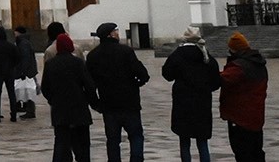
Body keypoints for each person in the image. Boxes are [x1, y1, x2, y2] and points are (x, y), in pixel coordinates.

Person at [86, 22, 150, 162]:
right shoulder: (125, 51)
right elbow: (142, 74)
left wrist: (95, 103)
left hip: (108, 104)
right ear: (110, 34)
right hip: (129, 102)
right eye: (115, 31)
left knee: (113, 140)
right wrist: (137, 83)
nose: (118, 33)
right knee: (136, 136)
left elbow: (89, 84)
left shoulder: (93, 56)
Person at [162, 28, 220, 162]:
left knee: (184, 140)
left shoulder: (178, 54)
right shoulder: (205, 55)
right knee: (202, 140)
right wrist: (206, 88)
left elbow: (167, 74)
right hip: (202, 102)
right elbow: (216, 81)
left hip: (183, 102)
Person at [40, 33, 96, 162]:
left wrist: (53, 100)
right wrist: (90, 101)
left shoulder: (51, 64)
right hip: (79, 109)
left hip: (60, 111)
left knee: (62, 144)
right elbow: (89, 85)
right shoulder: (78, 63)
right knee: (82, 145)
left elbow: (45, 88)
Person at [219, 33, 268, 162]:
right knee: (256, 151)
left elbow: (222, 79)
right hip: (256, 117)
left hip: (240, 117)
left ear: (234, 49)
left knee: (242, 153)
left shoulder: (239, 66)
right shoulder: (259, 63)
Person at [14, 26, 40, 119]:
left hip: (27, 72)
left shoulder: (23, 43)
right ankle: (26, 107)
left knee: (29, 91)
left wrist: (22, 71)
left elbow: (25, 58)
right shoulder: (24, 42)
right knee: (25, 90)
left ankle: (30, 110)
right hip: (28, 71)